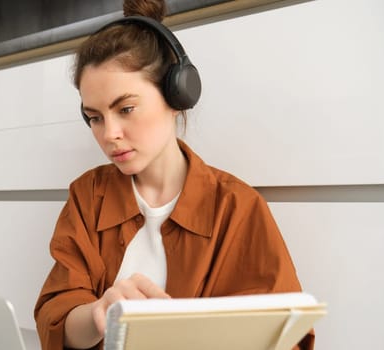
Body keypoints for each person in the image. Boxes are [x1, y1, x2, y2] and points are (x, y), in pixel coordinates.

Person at [34, 0, 313, 349]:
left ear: (176, 94)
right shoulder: (88, 195)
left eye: (126, 109)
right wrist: (98, 313)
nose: (109, 134)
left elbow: (285, 337)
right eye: (95, 117)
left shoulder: (238, 208)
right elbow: (55, 317)